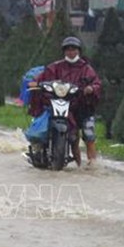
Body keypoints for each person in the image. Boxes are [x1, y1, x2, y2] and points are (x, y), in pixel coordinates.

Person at [31, 36, 102, 167]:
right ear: (64, 51)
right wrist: (35, 83)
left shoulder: (86, 68)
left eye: (74, 49)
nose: (71, 52)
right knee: (73, 138)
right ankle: (79, 165)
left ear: (79, 51)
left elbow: (96, 82)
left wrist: (91, 88)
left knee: (89, 136)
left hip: (84, 107)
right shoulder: (55, 67)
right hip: (66, 109)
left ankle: (93, 165)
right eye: (68, 49)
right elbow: (42, 77)